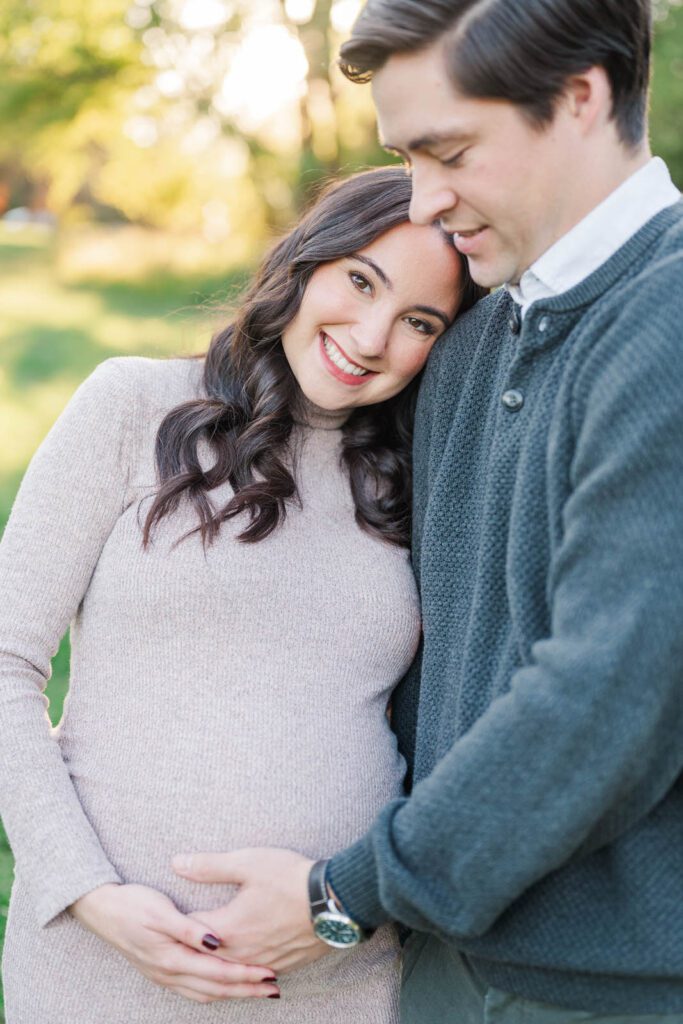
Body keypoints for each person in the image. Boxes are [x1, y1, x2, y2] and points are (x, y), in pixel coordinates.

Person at [171, 2, 683, 1021]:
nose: (426, 199)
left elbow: (607, 700)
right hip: (435, 965)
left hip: (609, 988)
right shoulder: (472, 339)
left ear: (578, 96)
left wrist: (342, 896)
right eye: (405, 157)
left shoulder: (661, 324)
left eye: (448, 151)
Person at [0, 166, 481, 1022]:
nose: (370, 337)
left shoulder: (423, 484)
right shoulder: (133, 406)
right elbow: (5, 660)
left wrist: (349, 909)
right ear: (304, 261)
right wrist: (83, 890)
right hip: (100, 965)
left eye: (418, 322)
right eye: (360, 281)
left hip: (334, 978)